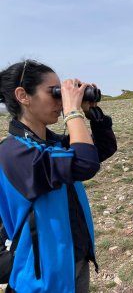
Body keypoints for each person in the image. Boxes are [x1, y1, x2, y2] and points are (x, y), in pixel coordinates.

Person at [0, 59, 117, 292]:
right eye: (54, 93)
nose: (60, 100)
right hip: (42, 277)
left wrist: (91, 112)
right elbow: (85, 163)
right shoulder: (14, 152)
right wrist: (72, 112)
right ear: (23, 95)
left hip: (73, 260)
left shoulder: (51, 144)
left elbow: (100, 150)